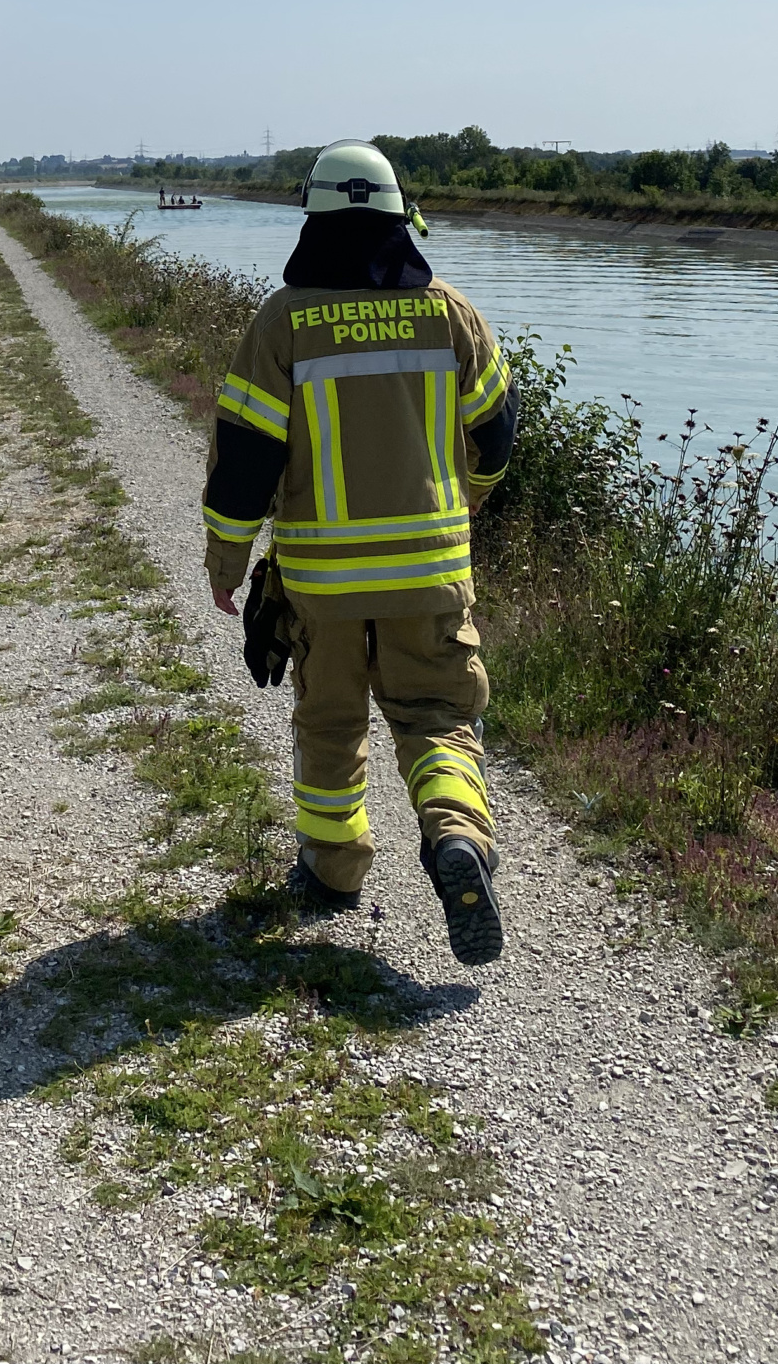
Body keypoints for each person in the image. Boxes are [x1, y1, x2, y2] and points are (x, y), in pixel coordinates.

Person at [201, 140, 518, 965]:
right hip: (431, 576)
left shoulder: (282, 323)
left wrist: (226, 564)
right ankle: (456, 838)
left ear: (312, 222)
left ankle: (334, 873)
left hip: (323, 584)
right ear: (396, 217)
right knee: (438, 719)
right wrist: (469, 498)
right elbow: (498, 430)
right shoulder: (450, 311)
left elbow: (244, 461)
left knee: (331, 721)